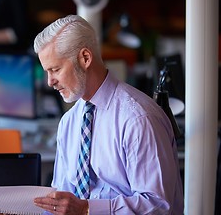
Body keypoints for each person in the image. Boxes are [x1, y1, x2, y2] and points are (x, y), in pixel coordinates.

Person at [31, 15, 184, 214]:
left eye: (56, 69)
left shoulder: (139, 119)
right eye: (47, 72)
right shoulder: (69, 122)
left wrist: (87, 209)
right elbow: (60, 200)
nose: (50, 81)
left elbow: (157, 206)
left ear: (85, 58)